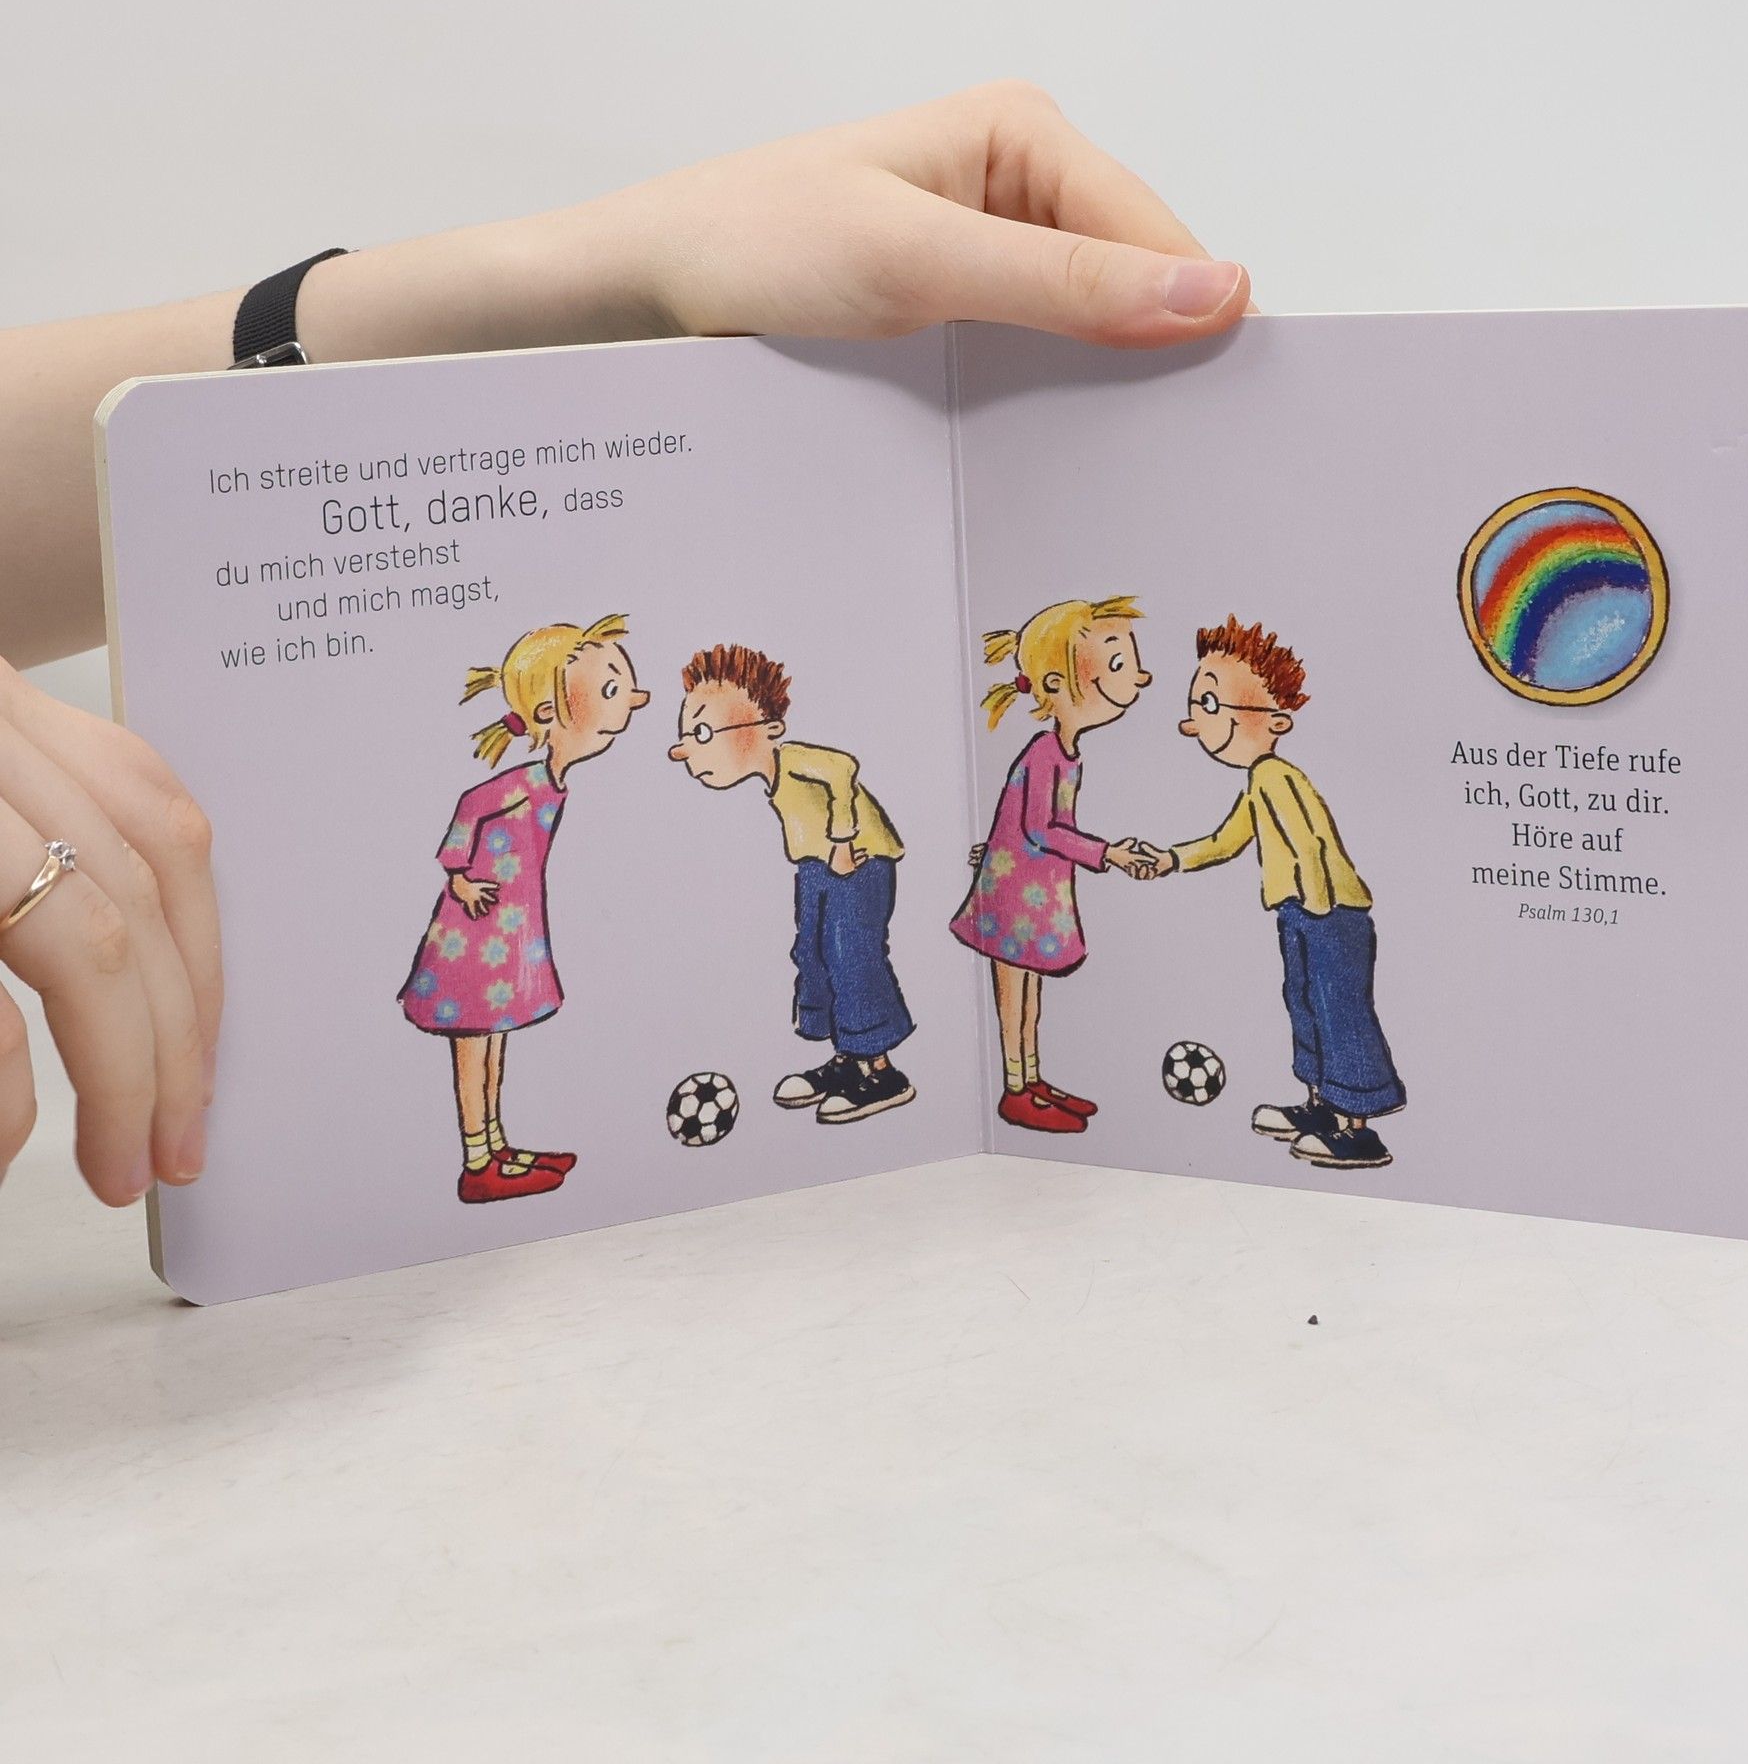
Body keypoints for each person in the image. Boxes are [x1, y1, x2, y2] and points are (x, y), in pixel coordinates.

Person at [0, 83, 1252, 1207]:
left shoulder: (784, 766)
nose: (652, 712)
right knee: (818, 967)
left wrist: (627, 262)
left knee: (838, 962)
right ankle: (576, 1129)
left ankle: (830, 1072)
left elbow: (857, 802)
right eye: (629, 693)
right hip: (519, 938)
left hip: (811, 886)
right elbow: (473, 827)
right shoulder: (542, 783)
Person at [399, 615, 649, 1201]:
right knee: (474, 1043)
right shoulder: (525, 782)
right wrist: (458, 875)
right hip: (473, 932)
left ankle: (496, 1147)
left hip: (509, 929)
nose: (632, 700)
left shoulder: (550, 781)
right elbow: (470, 805)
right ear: (548, 713)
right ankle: (476, 1163)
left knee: (495, 1040)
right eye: (610, 690)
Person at [1143, 616, 1407, 1169]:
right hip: (1299, 913)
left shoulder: (1276, 776)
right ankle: (1321, 1107)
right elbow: (1226, 841)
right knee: (1303, 1002)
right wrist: (1171, 859)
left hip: (1330, 913)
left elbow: (1310, 844)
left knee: (1338, 1011)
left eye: (1211, 704)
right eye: (1197, 706)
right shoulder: (1257, 781)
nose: (1196, 723)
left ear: (1275, 720)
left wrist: (1316, 909)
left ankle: (1358, 1130)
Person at [669, 645, 915, 1124]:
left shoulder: (794, 757)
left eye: (702, 733)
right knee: (811, 954)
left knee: (850, 955)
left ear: (770, 728)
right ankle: (848, 1059)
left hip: (858, 862)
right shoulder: (772, 778)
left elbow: (843, 769)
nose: (686, 751)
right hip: (817, 866)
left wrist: (842, 840)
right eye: (686, 737)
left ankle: (883, 1073)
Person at [949, 598, 1156, 1133]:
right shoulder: (1045, 751)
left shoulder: (1065, 753)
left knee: (1031, 995)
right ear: (1057, 684)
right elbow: (1040, 828)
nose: (1139, 677)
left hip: (1033, 890)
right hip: (1011, 896)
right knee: (1013, 997)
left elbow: (1024, 821)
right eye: (1117, 664)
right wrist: (1108, 853)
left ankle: (1032, 1079)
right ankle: (1014, 1089)